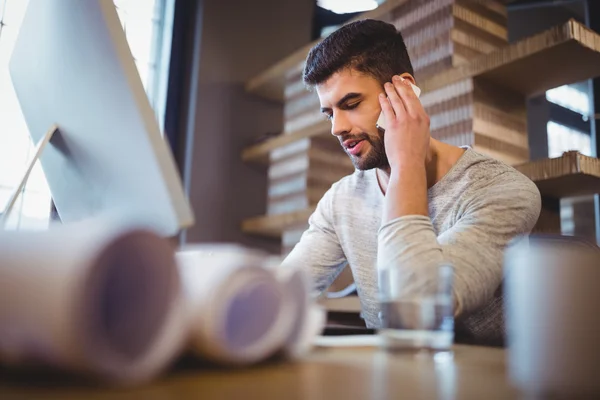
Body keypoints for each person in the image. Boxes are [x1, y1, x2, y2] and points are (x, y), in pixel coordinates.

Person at [280, 19, 542, 345]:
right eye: (329, 113)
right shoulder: (341, 201)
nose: (337, 128)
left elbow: (417, 308)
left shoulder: (503, 190)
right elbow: (282, 291)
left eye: (350, 104)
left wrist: (405, 164)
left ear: (404, 90)